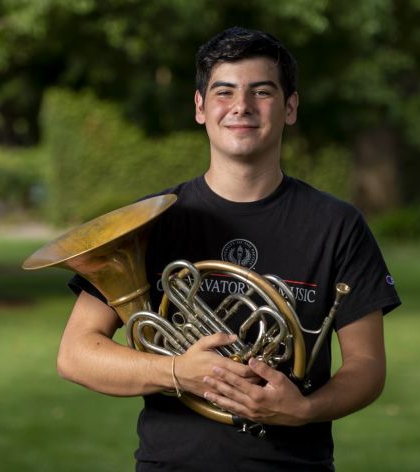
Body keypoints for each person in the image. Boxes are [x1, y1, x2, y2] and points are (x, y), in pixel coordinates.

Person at [58, 27, 401, 471]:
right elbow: (75, 354)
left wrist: (304, 410)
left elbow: (368, 364)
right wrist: (180, 371)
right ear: (200, 108)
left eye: (262, 91)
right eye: (224, 92)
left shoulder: (337, 224)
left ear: (290, 107)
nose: (241, 107)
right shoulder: (149, 223)